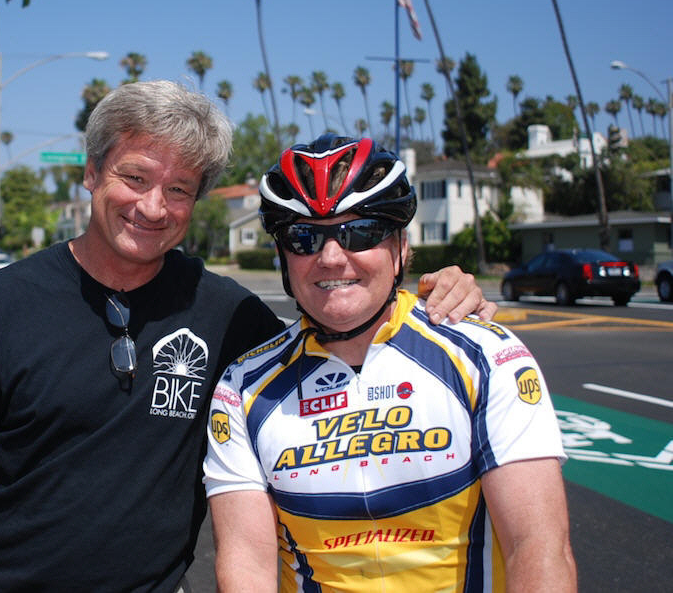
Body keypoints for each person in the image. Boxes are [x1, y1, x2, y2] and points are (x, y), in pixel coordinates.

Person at [0, 83, 495, 593]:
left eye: (179, 190)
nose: (154, 207)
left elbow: (343, 318)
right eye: (135, 177)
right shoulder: (3, 304)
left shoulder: (228, 315)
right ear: (92, 174)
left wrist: (441, 291)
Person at [203, 135, 576, 592]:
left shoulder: (486, 357)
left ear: (400, 246)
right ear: (283, 256)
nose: (331, 256)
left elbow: (537, 548)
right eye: (305, 237)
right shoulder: (242, 389)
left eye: (360, 232)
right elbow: (246, 567)